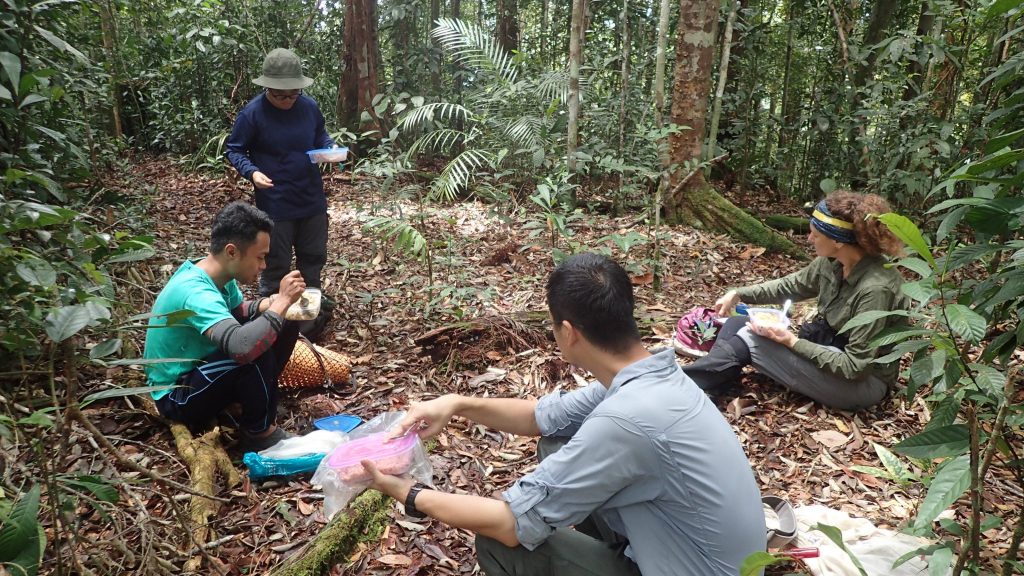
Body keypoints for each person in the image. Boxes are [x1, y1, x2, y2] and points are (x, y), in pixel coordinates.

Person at [360, 253, 765, 576]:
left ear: (568, 332)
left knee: (500, 544)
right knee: (556, 443)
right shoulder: (654, 375)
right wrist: (456, 404)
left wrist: (409, 493)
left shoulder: (627, 420)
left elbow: (508, 524)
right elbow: (541, 417)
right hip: (693, 552)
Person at [682, 190, 907, 411]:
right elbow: (791, 286)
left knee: (751, 339)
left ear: (838, 241)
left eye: (816, 235)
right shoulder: (832, 262)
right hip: (832, 351)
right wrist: (738, 293)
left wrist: (791, 342)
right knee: (737, 324)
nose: (809, 239)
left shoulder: (875, 289)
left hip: (862, 384)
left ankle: (683, 386)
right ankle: (710, 386)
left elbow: (855, 366)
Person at [144, 201, 306, 453]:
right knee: (253, 349)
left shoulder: (219, 276)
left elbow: (236, 313)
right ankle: (259, 432)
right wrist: (282, 300)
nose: (263, 266)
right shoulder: (195, 291)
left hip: (201, 371)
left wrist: (270, 304)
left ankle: (250, 401)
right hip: (177, 396)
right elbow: (242, 347)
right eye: (260, 257)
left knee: (282, 322)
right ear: (232, 252)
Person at [225, 47, 335, 313]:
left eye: (293, 93)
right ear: (267, 89)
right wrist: (251, 172)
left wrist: (330, 149)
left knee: (312, 258)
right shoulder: (252, 114)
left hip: (311, 198)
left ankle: (308, 318)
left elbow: (320, 135)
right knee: (276, 262)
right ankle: (273, 319)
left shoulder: (308, 106)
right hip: (275, 203)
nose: (287, 100)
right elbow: (234, 149)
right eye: (280, 95)